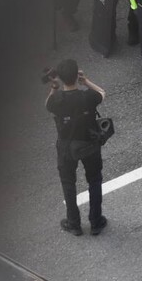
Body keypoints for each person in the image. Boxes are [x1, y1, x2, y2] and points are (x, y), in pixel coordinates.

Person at [45, 59, 108, 237]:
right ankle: (96, 222)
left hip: (66, 148)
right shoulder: (87, 96)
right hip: (89, 144)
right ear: (76, 75)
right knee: (94, 180)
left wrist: (54, 88)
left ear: (62, 79)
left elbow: (47, 105)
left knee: (68, 183)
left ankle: (73, 224)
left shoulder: (56, 100)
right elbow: (102, 93)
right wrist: (86, 81)